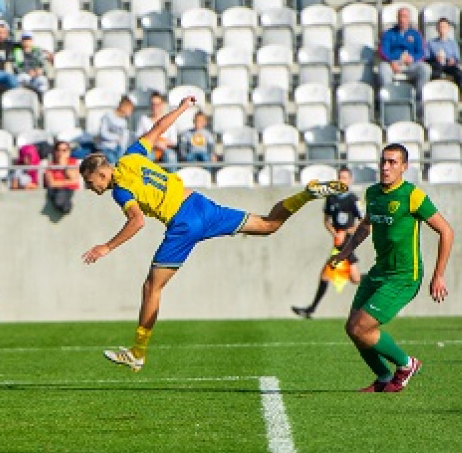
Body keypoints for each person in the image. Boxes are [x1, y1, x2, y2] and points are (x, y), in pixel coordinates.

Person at [79, 96, 347, 371]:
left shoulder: (121, 190)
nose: (90, 189)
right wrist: (183, 109)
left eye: (90, 183)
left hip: (183, 223)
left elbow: (136, 222)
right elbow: (158, 128)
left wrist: (107, 247)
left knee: (152, 287)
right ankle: (306, 194)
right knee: (268, 225)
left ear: (101, 174)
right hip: (201, 205)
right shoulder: (131, 156)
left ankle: (138, 351)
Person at [331, 145, 454, 393]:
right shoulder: (373, 193)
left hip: (403, 277)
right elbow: (367, 225)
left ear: (404, 167)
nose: (386, 167)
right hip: (380, 272)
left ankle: (407, 364)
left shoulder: (413, 196)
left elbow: (447, 231)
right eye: (383, 162)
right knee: (352, 329)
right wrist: (344, 253)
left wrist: (438, 275)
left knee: (361, 327)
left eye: (393, 162)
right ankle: (384, 377)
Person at [292, 166, 363, 319]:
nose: (342, 180)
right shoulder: (331, 198)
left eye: (344, 177)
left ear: (350, 180)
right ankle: (311, 309)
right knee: (349, 278)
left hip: (349, 243)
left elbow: (363, 223)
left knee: (351, 278)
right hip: (339, 244)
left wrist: (347, 232)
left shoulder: (353, 200)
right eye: (340, 177)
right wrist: (336, 234)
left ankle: (311, 309)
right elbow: (326, 221)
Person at [379, 7, 431, 96]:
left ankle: (418, 98)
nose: (402, 20)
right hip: (393, 63)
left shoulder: (416, 34)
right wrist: (391, 61)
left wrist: (413, 58)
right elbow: (383, 51)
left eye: (405, 17)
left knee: (425, 69)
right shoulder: (388, 33)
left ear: (409, 19)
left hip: (411, 65)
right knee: (383, 68)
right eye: (400, 17)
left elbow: (422, 53)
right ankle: (389, 97)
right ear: (397, 18)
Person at [135, 92, 178, 167]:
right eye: (153, 104)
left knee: (171, 156)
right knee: (147, 156)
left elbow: (174, 141)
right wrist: (154, 143)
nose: (155, 107)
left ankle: (171, 177)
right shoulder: (144, 119)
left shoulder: (169, 119)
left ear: (162, 105)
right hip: (149, 148)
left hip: (165, 149)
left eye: (157, 104)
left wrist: (162, 143)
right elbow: (138, 137)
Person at [97, 95, 135, 164]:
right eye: (130, 109)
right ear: (123, 106)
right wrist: (116, 138)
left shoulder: (124, 121)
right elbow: (102, 133)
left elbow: (124, 139)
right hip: (106, 148)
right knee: (114, 164)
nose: (130, 112)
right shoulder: (108, 116)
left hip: (118, 149)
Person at [426, 17, 462, 90]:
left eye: (444, 27)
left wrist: (453, 61)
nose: (442, 29)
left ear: (448, 29)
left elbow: (457, 58)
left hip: (449, 65)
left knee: (459, 73)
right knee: (435, 73)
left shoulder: (453, 43)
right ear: (437, 29)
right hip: (436, 64)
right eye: (440, 27)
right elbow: (427, 58)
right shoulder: (431, 43)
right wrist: (435, 59)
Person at [45, 139, 79, 214]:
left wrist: (64, 166)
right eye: (58, 150)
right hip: (56, 191)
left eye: (64, 150)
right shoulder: (51, 166)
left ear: (69, 151)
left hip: (68, 191)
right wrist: (68, 182)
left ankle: (65, 206)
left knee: (61, 197)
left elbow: (74, 179)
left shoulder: (73, 162)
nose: (61, 153)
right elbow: (51, 184)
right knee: (59, 196)